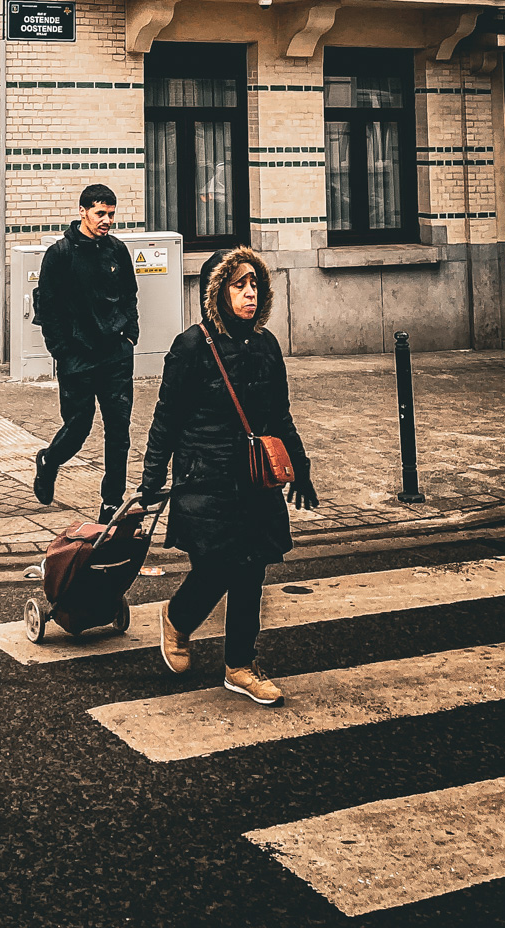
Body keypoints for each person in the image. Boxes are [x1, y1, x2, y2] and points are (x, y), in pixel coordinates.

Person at [139, 245, 318, 704]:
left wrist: (300, 469)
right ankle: (178, 619)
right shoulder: (191, 347)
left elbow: (280, 416)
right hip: (205, 477)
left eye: (255, 284)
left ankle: (239, 664)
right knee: (219, 564)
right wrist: (152, 476)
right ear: (217, 293)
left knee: (251, 567)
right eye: (239, 285)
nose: (250, 293)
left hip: (255, 480)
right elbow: (167, 419)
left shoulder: (266, 346)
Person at [31, 182, 139, 524]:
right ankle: (49, 460)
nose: (106, 220)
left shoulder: (118, 251)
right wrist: (61, 350)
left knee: (118, 432)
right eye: (100, 214)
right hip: (77, 357)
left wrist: (130, 333)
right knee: (78, 428)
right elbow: (46, 307)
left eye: (111, 214)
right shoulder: (60, 254)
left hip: (116, 355)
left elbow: (129, 295)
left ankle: (111, 502)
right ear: (83, 212)